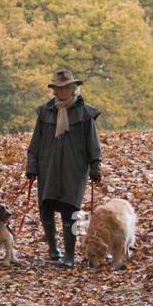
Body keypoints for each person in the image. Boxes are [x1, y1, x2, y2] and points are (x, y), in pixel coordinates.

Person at [25, 68, 102, 267]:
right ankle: (53, 248)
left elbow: (93, 143)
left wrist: (96, 168)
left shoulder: (85, 113)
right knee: (46, 206)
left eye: (67, 86)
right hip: (47, 166)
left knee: (71, 209)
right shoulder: (45, 112)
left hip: (74, 169)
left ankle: (69, 255)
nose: (64, 90)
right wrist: (31, 167)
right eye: (60, 87)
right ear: (55, 90)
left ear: (74, 88)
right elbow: (35, 143)